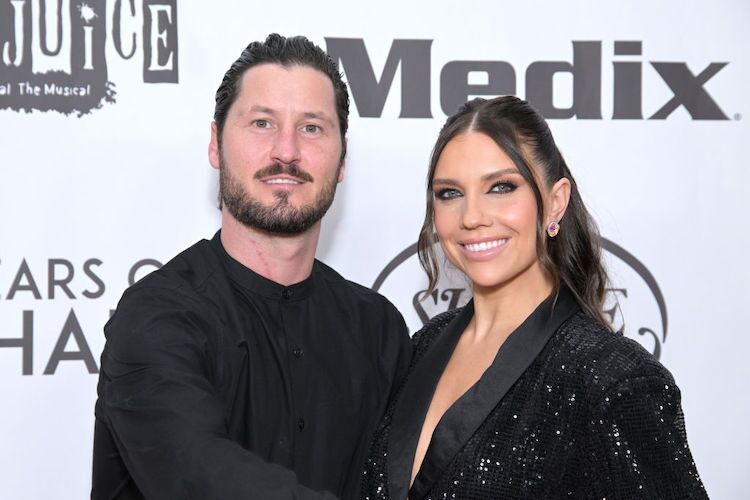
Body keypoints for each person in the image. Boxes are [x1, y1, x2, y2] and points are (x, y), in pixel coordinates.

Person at [92, 34, 411, 500]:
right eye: (262, 123)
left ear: (342, 160)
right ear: (216, 146)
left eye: (312, 128)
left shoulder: (379, 329)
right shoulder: (156, 317)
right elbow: (203, 478)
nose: (286, 151)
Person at [361, 96, 708, 499]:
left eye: (501, 187)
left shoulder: (611, 379)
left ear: (555, 202)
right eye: (450, 193)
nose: (472, 217)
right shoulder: (420, 348)